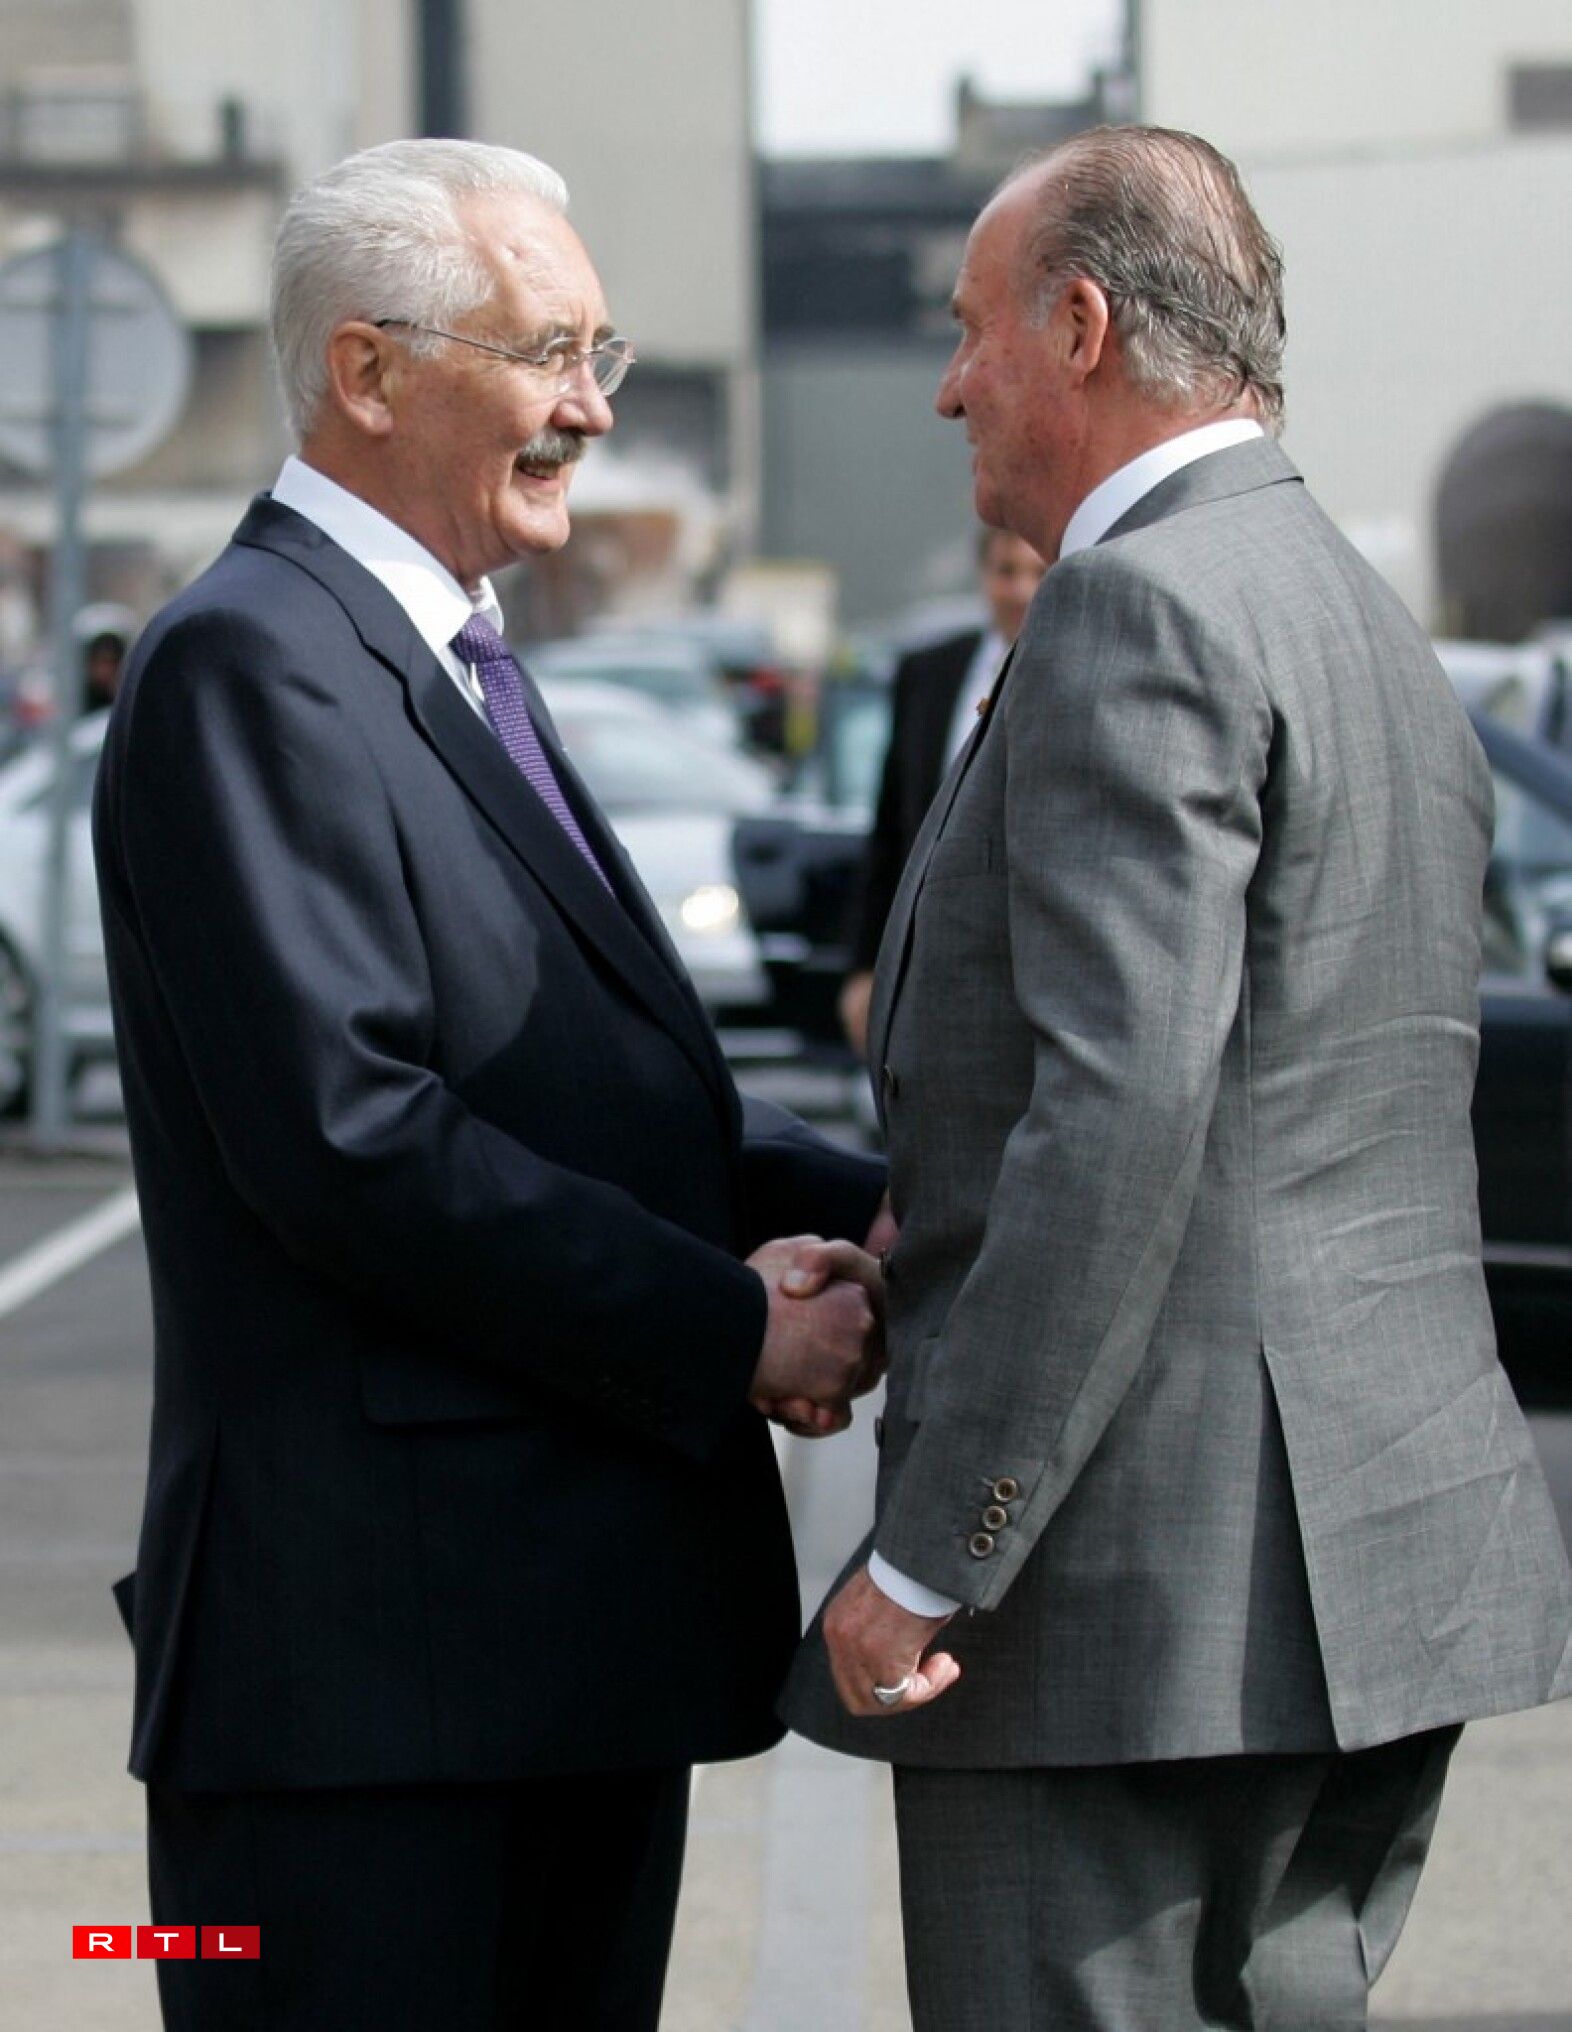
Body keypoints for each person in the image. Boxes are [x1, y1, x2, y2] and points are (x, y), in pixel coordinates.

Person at [783, 124, 1572, 2031]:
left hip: (1136, 1605)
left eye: (971, 329)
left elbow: (1121, 1114)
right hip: (1367, 1575)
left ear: (1079, 326)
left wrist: (935, 1549)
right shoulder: (1346, 606)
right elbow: (1265, 1090)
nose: (950, 385)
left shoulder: (1133, 604)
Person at [94, 139, 888, 2032]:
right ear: (368, 374)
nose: (590, 407)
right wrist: (732, 1330)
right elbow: (357, 1140)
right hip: (366, 1701)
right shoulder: (252, 664)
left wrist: (881, 1206)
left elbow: (594, 1098)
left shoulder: (442, 658)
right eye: (546, 352)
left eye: (599, 351)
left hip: (542, 1666)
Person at [838, 528, 1044, 1056]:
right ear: (983, 576)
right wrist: (864, 967)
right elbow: (890, 827)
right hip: (923, 971)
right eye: (1006, 571)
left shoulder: (1077, 674)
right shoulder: (929, 672)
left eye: (1037, 573)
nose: (1020, 590)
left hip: (1024, 978)